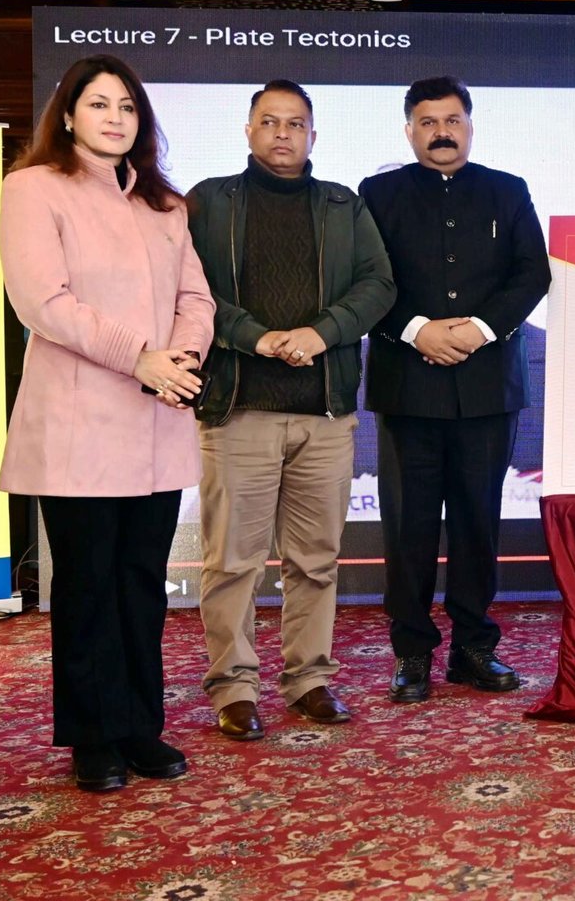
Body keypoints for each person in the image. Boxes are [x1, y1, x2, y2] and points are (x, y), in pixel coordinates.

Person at [0, 54, 215, 792]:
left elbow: (197, 298)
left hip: (157, 419)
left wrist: (182, 357)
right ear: (67, 115)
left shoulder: (164, 205)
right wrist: (141, 358)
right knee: (87, 586)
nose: (115, 117)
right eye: (99, 104)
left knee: (141, 582)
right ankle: (92, 735)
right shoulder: (32, 188)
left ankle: (139, 726)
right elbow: (44, 302)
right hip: (79, 424)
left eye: (126, 106)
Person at [186, 79, 395, 741]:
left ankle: (309, 679)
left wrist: (320, 333)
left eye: (295, 123)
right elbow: (190, 287)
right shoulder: (209, 201)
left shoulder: (342, 204)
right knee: (233, 562)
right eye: (270, 121)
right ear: (249, 130)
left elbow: (379, 284)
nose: (283, 133)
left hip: (324, 412)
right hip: (239, 407)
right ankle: (234, 687)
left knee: (315, 560)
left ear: (312, 135)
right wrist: (256, 337)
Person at [359, 76, 550, 702]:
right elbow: (366, 280)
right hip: (407, 387)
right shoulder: (378, 194)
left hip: (487, 387)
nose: (441, 132)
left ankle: (473, 648)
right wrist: (417, 329)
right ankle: (412, 653)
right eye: (427, 122)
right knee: (408, 528)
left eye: (452, 120)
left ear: (469, 125)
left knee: (477, 524)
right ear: (409, 130)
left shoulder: (507, 190)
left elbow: (533, 273)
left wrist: (478, 330)